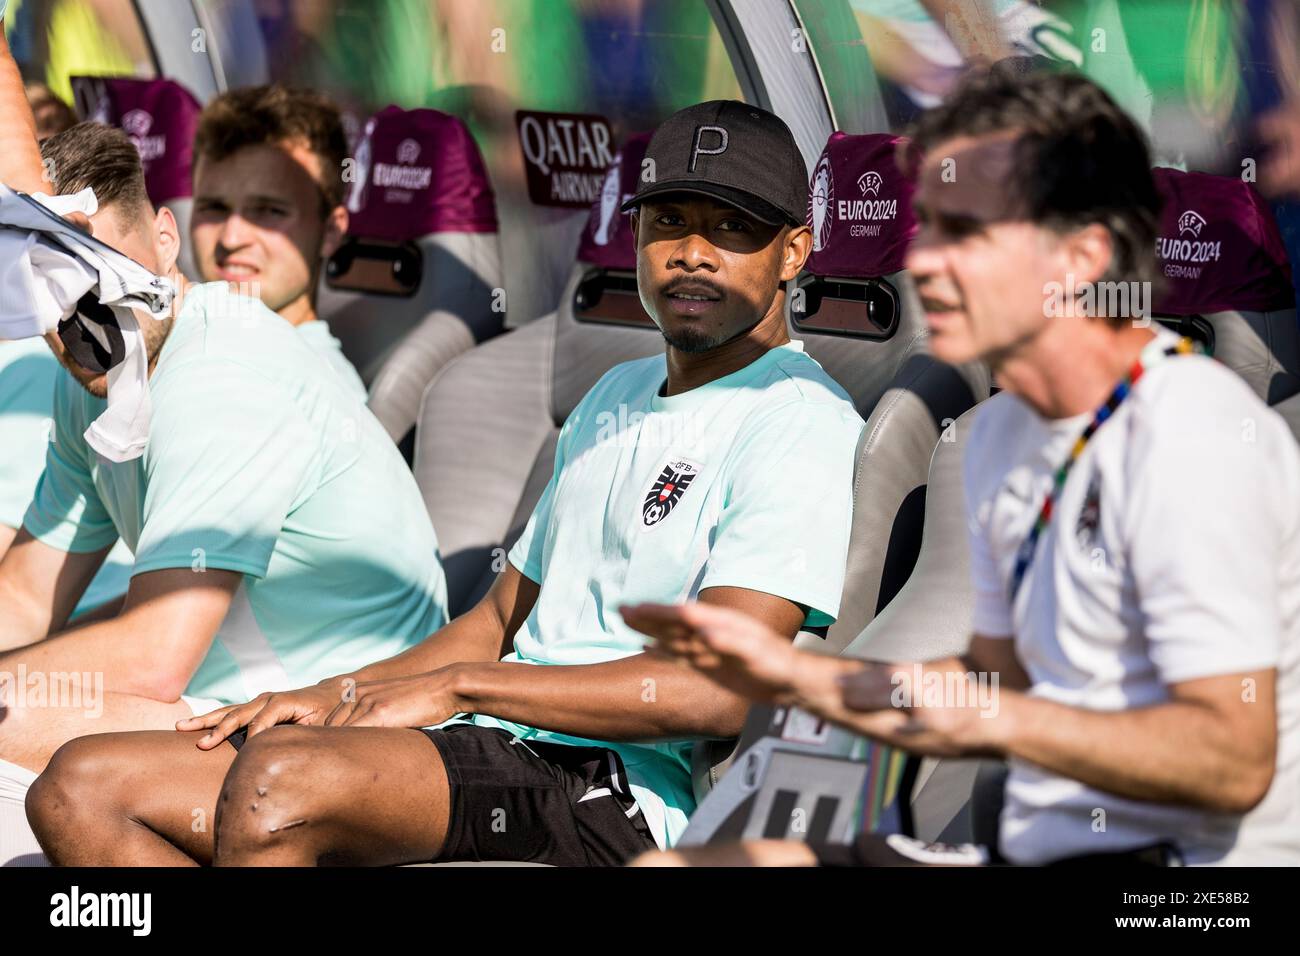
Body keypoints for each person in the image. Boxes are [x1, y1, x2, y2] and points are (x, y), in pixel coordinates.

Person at [27, 100, 865, 867]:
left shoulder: (796, 418)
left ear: (794, 250)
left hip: (608, 784)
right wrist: (331, 694)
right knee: (79, 788)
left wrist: (459, 688)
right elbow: (498, 620)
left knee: (278, 784)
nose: (692, 253)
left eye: (732, 229)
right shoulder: (615, 394)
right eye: (670, 222)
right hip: (490, 738)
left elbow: (716, 689)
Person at [625, 64, 1300, 867]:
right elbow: (995, 673)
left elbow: (1230, 762)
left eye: (967, 232)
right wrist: (805, 686)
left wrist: (981, 718)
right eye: (931, 225)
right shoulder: (999, 435)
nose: (928, 262)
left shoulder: (1189, 438)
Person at [0, 110, 448, 864]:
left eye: (94, 269)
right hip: (229, 700)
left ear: (166, 243)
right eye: (47, 286)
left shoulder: (225, 371)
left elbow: (152, 658)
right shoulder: (98, 367)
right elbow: (24, 596)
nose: (79, 314)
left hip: (344, 729)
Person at [188, 84, 365, 398]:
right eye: (214, 208)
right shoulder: (181, 356)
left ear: (330, 232)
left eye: (268, 211)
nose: (231, 238)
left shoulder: (323, 395)